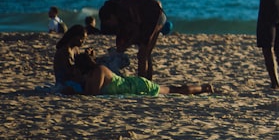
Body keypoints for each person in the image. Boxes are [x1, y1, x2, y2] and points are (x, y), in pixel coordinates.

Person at [77, 53, 212, 96]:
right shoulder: (92, 74)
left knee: (173, 90)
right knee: (172, 89)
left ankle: (204, 87)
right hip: (132, 85)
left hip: (137, 86)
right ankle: (203, 87)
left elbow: (93, 93)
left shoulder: (99, 70)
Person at [114, 0, 167, 80]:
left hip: (154, 16)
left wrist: (126, 45)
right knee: (147, 52)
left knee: (142, 54)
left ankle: (142, 81)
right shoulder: (126, 8)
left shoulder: (124, 9)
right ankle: (148, 80)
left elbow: (136, 30)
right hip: (161, 16)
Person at [53, 24, 90, 92]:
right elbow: (69, 71)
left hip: (72, 79)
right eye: (81, 38)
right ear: (74, 36)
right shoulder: (64, 51)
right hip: (63, 82)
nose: (83, 41)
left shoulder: (75, 49)